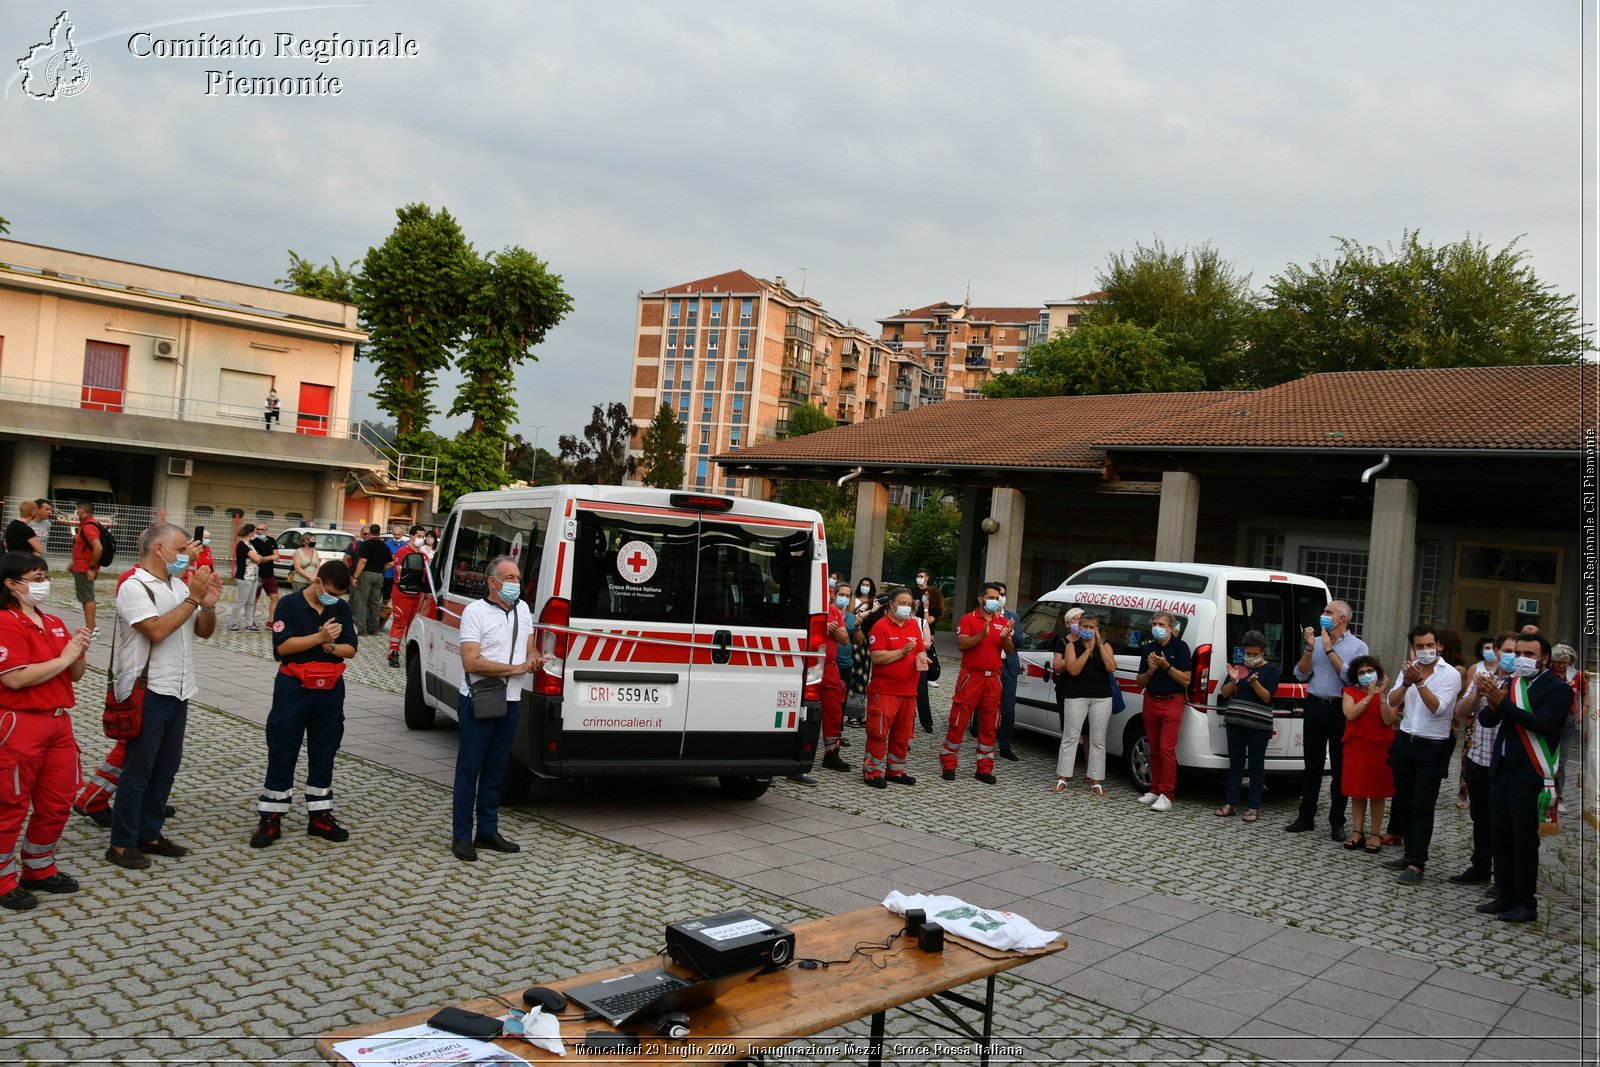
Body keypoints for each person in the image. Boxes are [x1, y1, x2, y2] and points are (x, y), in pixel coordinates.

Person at [105, 524, 220, 871]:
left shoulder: (180, 584)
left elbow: (202, 631)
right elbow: (155, 630)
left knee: (166, 767)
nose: (188, 553)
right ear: (159, 549)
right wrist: (193, 600)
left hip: (179, 686)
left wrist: (209, 607)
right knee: (138, 769)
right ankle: (121, 843)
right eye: (182, 548)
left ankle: (150, 832)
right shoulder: (134, 586)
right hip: (147, 689)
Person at [0, 552, 92, 911]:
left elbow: (75, 674)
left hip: (57, 722)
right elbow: (16, 678)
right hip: (21, 722)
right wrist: (66, 658)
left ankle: (38, 867)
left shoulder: (52, 620)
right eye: (35, 578)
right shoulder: (6, 622)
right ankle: (4, 878)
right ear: (11, 584)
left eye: (44, 576)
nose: (42, 584)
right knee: (11, 802)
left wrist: (79, 651)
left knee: (58, 800)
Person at [250, 560, 358, 848]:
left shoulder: (341, 609)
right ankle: (271, 816)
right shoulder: (288, 604)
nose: (333, 598)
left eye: (339, 594)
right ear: (317, 581)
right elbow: (281, 647)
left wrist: (331, 647)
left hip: (330, 690)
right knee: (283, 748)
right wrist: (320, 637)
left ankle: (320, 814)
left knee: (325, 750)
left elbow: (351, 649)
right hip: (293, 688)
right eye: (331, 591)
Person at [452, 556, 543, 862]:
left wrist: (533, 660)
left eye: (518, 577)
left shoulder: (524, 610)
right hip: (479, 699)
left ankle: (488, 831)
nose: (517, 583)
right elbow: (471, 661)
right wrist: (514, 668)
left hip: (512, 700)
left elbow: (530, 647)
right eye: (511, 578)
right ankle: (462, 836)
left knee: (497, 768)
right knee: (469, 768)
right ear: (493, 582)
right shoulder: (474, 612)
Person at [1476, 633, 1571, 923]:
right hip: (1502, 771)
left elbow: (1541, 724)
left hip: (1530, 775)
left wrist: (1502, 704)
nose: (1521, 659)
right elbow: (1488, 720)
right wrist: (1492, 704)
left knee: (1523, 840)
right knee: (1500, 836)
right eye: (1518, 653)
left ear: (1544, 659)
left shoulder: (1559, 690)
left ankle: (1525, 902)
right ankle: (1504, 894)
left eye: (1528, 654)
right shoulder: (1512, 682)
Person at [1382, 624, 1463, 884]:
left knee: (1422, 804)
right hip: (1406, 740)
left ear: (1439, 645)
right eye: (1420, 646)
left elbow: (1437, 708)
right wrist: (1406, 682)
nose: (1425, 650)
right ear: (1413, 648)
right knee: (1403, 802)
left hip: (1434, 745)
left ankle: (1418, 863)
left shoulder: (1450, 674)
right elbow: (1392, 702)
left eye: (1430, 645)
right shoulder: (1408, 671)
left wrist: (1419, 682)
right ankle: (1408, 854)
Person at [1286, 600, 1368, 839]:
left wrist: (1331, 650)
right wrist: (1311, 649)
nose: (1323, 615)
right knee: (1312, 765)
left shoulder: (1358, 646)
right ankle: (1306, 816)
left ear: (1342, 619)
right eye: (1324, 611)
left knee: (1340, 767)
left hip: (1340, 708)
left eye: (1328, 612)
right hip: (1314, 704)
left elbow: (1353, 679)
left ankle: (1336, 821)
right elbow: (1300, 673)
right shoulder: (1317, 642)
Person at [1451, 632, 1515, 884]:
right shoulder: (1483, 677)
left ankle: (1503, 877)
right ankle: (1480, 868)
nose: (1511, 656)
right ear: (1496, 652)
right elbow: (1460, 711)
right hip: (1479, 758)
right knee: (1481, 817)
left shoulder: (1522, 682)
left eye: (1516, 651)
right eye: (1507, 651)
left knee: (1504, 821)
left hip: (1506, 762)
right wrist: (1477, 694)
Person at [941, 582, 1012, 785]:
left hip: (993, 678)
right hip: (972, 676)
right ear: (981, 599)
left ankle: (984, 768)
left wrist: (1006, 637)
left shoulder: (1003, 621)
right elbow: (962, 644)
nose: (995, 601)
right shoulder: (968, 619)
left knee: (990, 724)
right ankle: (948, 763)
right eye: (991, 597)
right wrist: (982, 634)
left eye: (997, 598)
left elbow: (1010, 650)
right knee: (959, 719)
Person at [863, 586, 926, 789]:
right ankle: (872, 772)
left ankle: (896, 770)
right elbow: (877, 656)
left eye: (910, 604)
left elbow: (920, 649)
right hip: (885, 691)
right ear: (891, 604)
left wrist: (921, 657)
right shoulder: (880, 626)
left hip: (909, 691)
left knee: (902, 734)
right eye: (903, 604)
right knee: (878, 732)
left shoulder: (913, 625)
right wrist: (901, 652)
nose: (907, 608)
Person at [1216, 630, 1281, 822]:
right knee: (1235, 764)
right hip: (1235, 722)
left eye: (1254, 654)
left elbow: (1267, 697)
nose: (1250, 658)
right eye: (1248, 653)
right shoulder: (1238, 668)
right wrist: (1234, 679)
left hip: (1258, 726)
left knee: (1256, 766)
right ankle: (1230, 804)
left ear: (1262, 652)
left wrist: (1254, 683)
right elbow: (1226, 693)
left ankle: (1253, 807)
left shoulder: (1270, 671)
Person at [1051, 610, 1117, 798]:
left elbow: (1111, 667)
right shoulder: (1072, 646)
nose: (1088, 630)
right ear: (1079, 628)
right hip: (1076, 696)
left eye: (1092, 627)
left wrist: (1098, 646)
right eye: (1085, 627)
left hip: (1102, 697)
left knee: (1098, 739)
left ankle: (1095, 780)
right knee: (1070, 737)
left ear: (1097, 629)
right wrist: (1088, 649)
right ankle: (1063, 777)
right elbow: (1073, 670)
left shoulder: (1106, 646)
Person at [1134, 610, 1192, 811]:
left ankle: (1167, 794)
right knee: (1154, 748)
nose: (1157, 628)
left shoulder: (1181, 647)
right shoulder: (1149, 648)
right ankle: (1155, 789)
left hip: (1172, 702)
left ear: (1171, 628)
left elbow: (1186, 679)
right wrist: (1151, 670)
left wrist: (1165, 665)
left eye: (1161, 625)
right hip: (1151, 700)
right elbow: (1139, 681)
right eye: (1154, 624)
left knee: (1167, 748)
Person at [1339, 655, 1395, 852]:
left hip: (1380, 746)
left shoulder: (1388, 694)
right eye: (1361, 672)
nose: (1366, 675)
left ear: (1377, 673)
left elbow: (1389, 720)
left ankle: (1375, 833)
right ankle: (1357, 831)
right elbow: (1350, 714)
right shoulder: (1349, 692)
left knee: (1378, 791)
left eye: (1369, 671)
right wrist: (1369, 696)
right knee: (1358, 789)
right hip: (1357, 746)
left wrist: (1380, 696)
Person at [819, 581, 852, 773]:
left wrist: (833, 628)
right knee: (808, 712)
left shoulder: (834, 611)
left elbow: (844, 638)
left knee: (833, 711)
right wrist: (824, 629)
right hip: (811, 666)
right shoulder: (808, 608)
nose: (832, 598)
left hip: (831, 668)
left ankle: (832, 754)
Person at [1549, 643, 1584, 812]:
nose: (1562, 666)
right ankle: (1543, 793)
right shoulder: (1547, 674)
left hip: (1568, 721)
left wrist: (1583, 710)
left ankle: (1559, 797)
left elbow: (1587, 693)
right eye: (1559, 662)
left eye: (1566, 662)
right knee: (1546, 757)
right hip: (1550, 719)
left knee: (1561, 761)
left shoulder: (1576, 675)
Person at [387, 526, 428, 668]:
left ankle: (410, 655)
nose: (421, 539)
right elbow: (400, 572)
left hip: (417, 595)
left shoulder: (423, 554)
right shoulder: (402, 552)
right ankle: (393, 653)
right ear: (411, 536)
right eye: (418, 536)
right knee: (399, 623)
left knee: (412, 627)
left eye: (423, 536)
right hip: (402, 594)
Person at [913, 568, 945, 733]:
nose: (924, 596)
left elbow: (927, 622)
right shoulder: (918, 607)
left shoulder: (935, 610)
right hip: (912, 645)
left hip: (924, 648)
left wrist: (925, 607)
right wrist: (917, 606)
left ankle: (927, 722)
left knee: (921, 689)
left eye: (927, 595)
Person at [993, 581, 1022, 761]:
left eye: (1003, 594)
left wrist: (1010, 632)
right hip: (991, 665)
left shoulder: (1013, 616)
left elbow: (1021, 641)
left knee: (1008, 708)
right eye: (997, 595)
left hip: (1009, 666)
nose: (1001, 598)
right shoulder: (985, 616)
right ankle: (984, 740)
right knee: (986, 707)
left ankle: (1005, 745)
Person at [845, 577, 878, 728]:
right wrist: (862, 609)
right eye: (863, 584)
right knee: (855, 676)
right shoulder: (855, 598)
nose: (865, 587)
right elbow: (850, 614)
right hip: (856, 638)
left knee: (864, 677)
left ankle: (859, 714)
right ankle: (851, 714)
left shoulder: (874, 602)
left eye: (868, 585)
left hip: (867, 640)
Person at [69, 502, 104, 637]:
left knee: (88, 597)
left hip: (85, 568)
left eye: (77, 509)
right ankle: (91, 626)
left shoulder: (88, 526)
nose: (75, 512)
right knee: (85, 597)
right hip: (81, 566)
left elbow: (98, 548)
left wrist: (91, 568)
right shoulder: (86, 524)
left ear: (81, 511)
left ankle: (91, 629)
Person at [351, 525, 392, 639]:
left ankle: (361, 629)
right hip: (379, 575)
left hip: (366, 575)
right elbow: (391, 563)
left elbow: (363, 561)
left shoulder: (366, 544)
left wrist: (355, 577)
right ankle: (374, 629)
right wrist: (380, 568)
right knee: (375, 602)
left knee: (361, 601)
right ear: (379, 532)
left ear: (370, 532)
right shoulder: (384, 546)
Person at [251, 524, 280, 627]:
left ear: (267, 530)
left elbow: (277, 555)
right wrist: (270, 557)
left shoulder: (271, 540)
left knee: (275, 597)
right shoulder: (252, 541)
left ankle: (271, 621)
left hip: (269, 574)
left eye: (262, 529)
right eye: (258, 529)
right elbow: (254, 558)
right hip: (256, 575)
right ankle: (251, 621)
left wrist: (264, 559)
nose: (260, 531)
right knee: (254, 599)